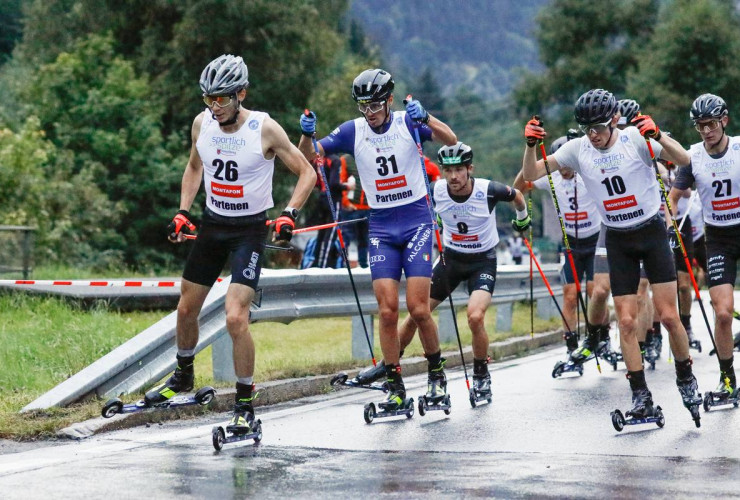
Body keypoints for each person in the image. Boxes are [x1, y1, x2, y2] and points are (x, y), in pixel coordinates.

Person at [145, 55, 316, 434]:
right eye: (209, 99)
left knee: (235, 316)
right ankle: (183, 377)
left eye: (221, 98)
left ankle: (244, 405)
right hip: (212, 225)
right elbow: (194, 167)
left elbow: (307, 171)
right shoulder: (202, 123)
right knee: (186, 309)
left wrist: (289, 213)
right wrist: (182, 211)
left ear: (241, 93)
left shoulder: (264, 128)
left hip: (248, 232)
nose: (214, 106)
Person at [522, 88, 702, 421]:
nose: (594, 135)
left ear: (614, 120)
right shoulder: (577, 149)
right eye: (588, 128)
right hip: (618, 239)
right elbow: (532, 175)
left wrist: (658, 134)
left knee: (668, 315)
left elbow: (685, 161)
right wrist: (530, 145)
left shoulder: (634, 139)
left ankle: (686, 377)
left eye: (600, 127)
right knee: (627, 321)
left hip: (650, 233)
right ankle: (640, 397)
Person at [298, 68, 458, 411]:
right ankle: (395, 385)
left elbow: (451, 140)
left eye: (374, 106)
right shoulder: (353, 131)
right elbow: (308, 157)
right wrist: (305, 135)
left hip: (416, 221)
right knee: (386, 311)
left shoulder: (406, 123)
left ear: (388, 101)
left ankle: (436, 374)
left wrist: (427, 117)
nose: (369, 114)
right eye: (362, 107)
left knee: (417, 309)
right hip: (382, 227)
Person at [391, 142, 529, 398]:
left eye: (459, 170)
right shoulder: (436, 190)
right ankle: (390, 366)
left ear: (469, 169)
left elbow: (517, 196)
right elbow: (412, 205)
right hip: (451, 260)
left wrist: (523, 219)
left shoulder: (488, 190)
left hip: (482, 261)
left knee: (475, 317)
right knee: (417, 313)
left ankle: (481, 374)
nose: (453, 176)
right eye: (448, 170)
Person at [668, 93, 739, 400]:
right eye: (700, 126)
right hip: (718, 238)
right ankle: (727, 378)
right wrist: (671, 227)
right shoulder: (692, 156)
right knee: (722, 313)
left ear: (724, 121)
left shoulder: (738, 149)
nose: (706, 131)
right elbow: (674, 196)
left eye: (710, 124)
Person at [514, 134, 603, 357]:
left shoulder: (587, 174)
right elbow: (517, 189)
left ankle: (601, 336)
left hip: (594, 241)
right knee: (570, 295)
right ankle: (571, 345)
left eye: (567, 164)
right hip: (570, 244)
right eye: (559, 165)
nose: (563, 169)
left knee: (595, 292)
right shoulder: (551, 177)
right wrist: (528, 168)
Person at [338, 155, 370, 268]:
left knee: (365, 239)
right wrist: (346, 202)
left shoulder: (370, 154)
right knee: (346, 238)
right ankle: (342, 265)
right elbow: (340, 181)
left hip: (368, 208)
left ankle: (364, 266)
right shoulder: (345, 159)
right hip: (351, 209)